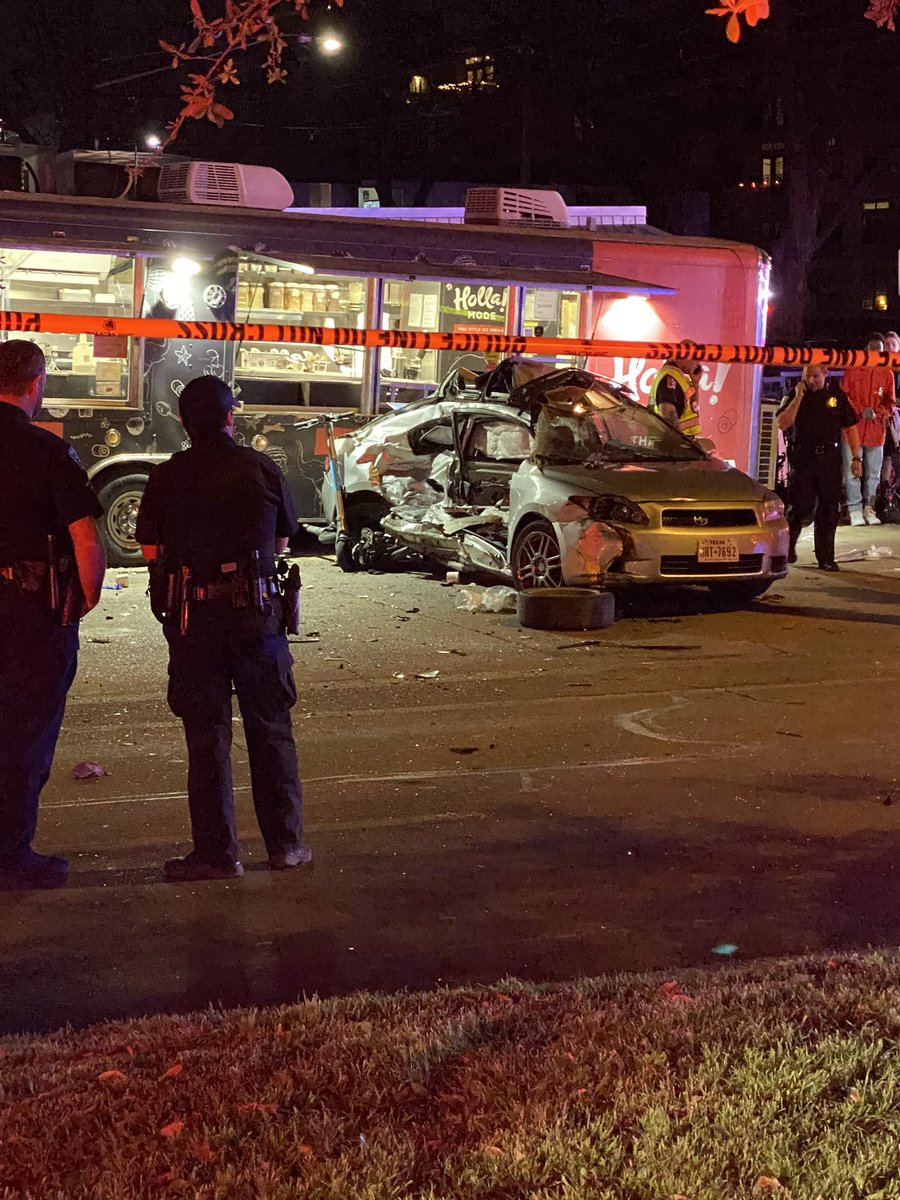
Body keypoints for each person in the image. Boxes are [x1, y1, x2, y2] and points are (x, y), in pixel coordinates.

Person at [136, 375, 309, 882]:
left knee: (207, 737)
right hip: (258, 619)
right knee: (271, 729)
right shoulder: (262, 468)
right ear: (231, 418)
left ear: (185, 422)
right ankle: (286, 847)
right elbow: (281, 544)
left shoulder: (167, 477)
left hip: (195, 623)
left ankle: (217, 855)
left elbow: (151, 552)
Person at [0, 340, 106, 891]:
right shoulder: (47, 452)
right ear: (36, 382)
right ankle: (11, 856)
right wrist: (77, 608)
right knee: (24, 735)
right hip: (29, 614)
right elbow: (86, 541)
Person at [777, 363, 861, 571]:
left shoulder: (836, 395)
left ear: (826, 373)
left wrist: (856, 458)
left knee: (828, 509)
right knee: (800, 506)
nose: (811, 380)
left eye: (816, 376)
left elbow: (850, 428)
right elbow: (782, 422)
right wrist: (798, 396)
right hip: (803, 458)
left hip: (829, 459)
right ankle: (787, 549)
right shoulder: (796, 393)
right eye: (808, 376)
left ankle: (826, 558)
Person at [840, 332, 895, 526]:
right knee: (851, 471)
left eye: (879, 349)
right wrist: (861, 411)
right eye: (872, 348)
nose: (876, 352)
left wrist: (877, 413)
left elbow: (890, 402)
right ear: (866, 349)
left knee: (873, 473)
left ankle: (869, 508)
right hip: (853, 429)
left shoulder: (887, 372)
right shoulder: (853, 369)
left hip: (876, 431)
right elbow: (844, 398)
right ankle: (854, 509)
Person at [649, 353, 703, 437]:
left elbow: (694, 407)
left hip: (681, 442)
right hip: (670, 444)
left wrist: (695, 383)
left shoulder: (681, 377)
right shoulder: (670, 376)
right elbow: (668, 416)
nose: (698, 363)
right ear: (679, 357)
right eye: (694, 358)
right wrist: (679, 443)